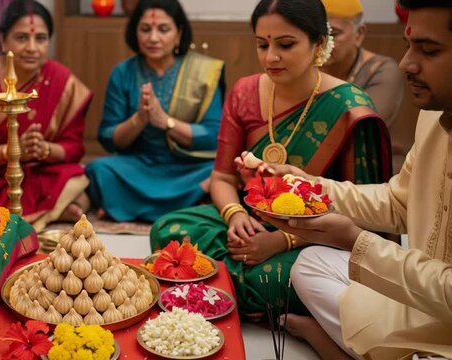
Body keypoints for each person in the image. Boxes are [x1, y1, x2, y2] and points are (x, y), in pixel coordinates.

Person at [150, 0, 392, 316]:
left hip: (317, 237)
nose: (270, 57)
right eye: (262, 44)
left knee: (276, 278)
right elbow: (222, 177)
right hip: (251, 221)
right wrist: (236, 216)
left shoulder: (349, 108)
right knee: (167, 229)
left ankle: (215, 288)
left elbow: (362, 215)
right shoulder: (245, 91)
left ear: (319, 43)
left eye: (286, 44)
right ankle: (243, 297)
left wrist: (282, 240)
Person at [254, 1, 452, 359]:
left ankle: (332, 343)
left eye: (430, 50)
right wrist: (310, 185)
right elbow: (397, 202)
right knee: (310, 263)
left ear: (316, 46)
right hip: (418, 295)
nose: (407, 62)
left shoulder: (353, 96)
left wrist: (356, 240)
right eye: (409, 45)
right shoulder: (435, 118)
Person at [0, 0, 93, 232]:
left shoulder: (62, 80)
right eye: (22, 38)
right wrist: (12, 151)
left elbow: (74, 148)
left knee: (77, 175)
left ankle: (40, 209)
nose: (32, 48)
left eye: (41, 39)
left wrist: (44, 149)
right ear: (4, 41)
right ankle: (56, 210)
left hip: (38, 171)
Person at [85, 0, 225, 222]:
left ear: (179, 32)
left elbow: (213, 136)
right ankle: (189, 205)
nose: (153, 38)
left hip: (188, 168)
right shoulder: (123, 73)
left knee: (221, 174)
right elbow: (108, 139)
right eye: (145, 29)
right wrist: (139, 119)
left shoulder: (204, 72)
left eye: (163, 29)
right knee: (98, 168)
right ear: (135, 32)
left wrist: (165, 121)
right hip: (138, 166)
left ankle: (123, 206)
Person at [322, 0, 413, 174]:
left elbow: (360, 130)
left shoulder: (382, 70)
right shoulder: (309, 67)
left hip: (380, 175)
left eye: (333, 33)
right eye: (318, 34)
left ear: (359, 34)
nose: (325, 42)